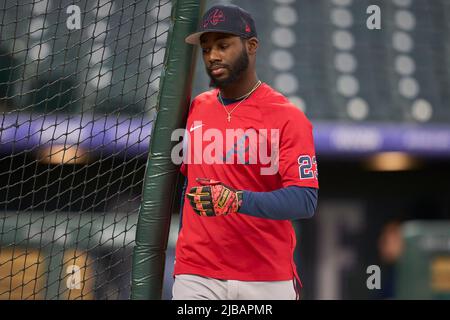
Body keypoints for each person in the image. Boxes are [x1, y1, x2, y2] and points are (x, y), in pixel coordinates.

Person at [172, 4, 319, 300]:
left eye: (223, 45)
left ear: (251, 46)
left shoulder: (288, 117)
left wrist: (236, 200)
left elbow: (305, 200)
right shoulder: (195, 108)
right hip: (198, 273)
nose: (213, 56)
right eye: (206, 48)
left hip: (265, 276)